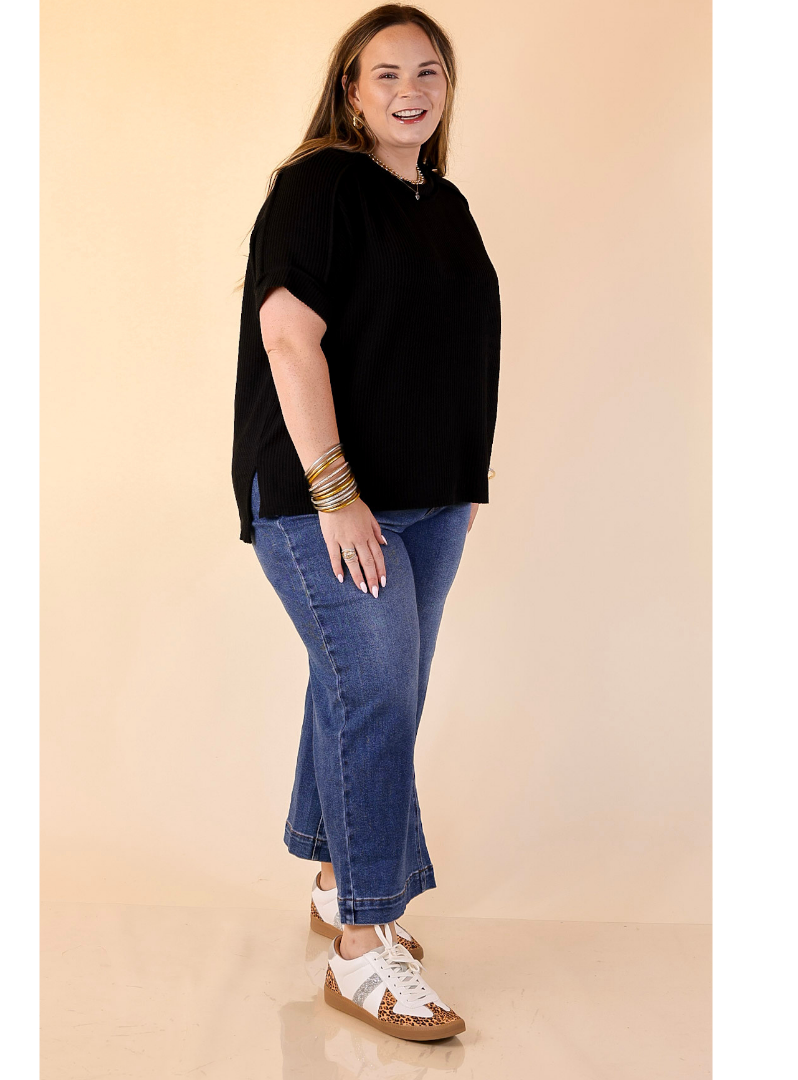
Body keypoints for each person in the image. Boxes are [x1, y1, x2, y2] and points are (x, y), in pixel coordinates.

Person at [230, 4, 500, 1042]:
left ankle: (337, 874)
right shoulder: (319, 188)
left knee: (371, 685)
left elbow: (444, 349)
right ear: (350, 90)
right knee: (377, 688)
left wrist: (460, 486)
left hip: (432, 501)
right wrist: (337, 493)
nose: (409, 90)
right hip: (325, 497)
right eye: (385, 73)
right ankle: (361, 949)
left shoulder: (445, 201)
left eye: (427, 71)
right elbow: (289, 340)